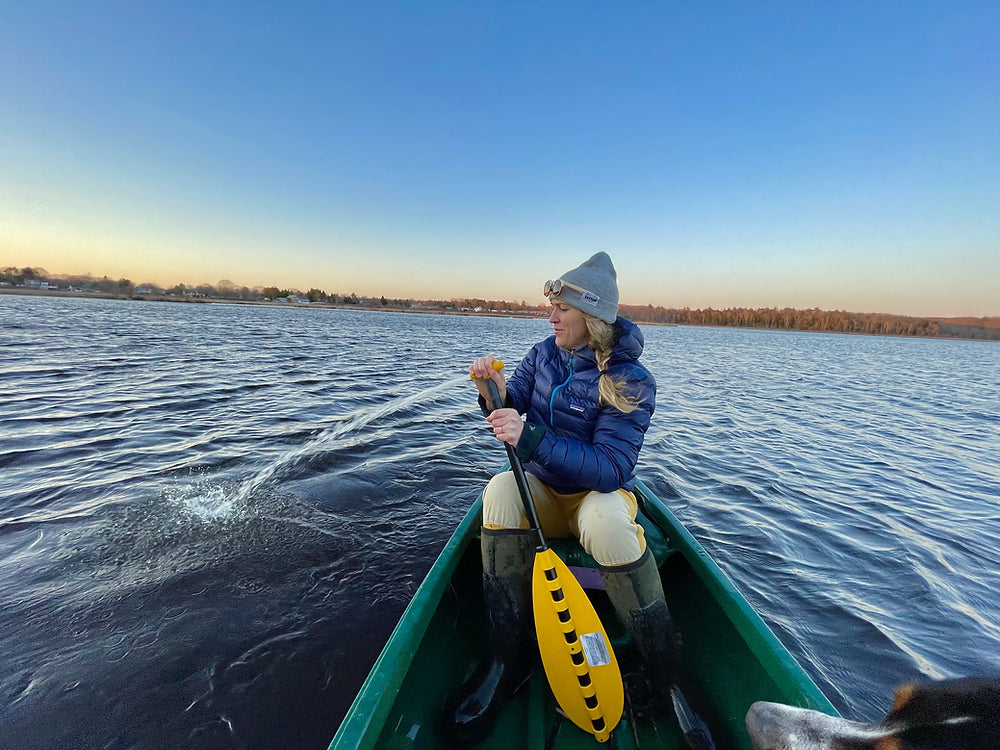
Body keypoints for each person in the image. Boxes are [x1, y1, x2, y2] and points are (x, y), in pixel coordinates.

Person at [445, 251, 678, 745]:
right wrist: (493, 391)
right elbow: (512, 411)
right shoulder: (542, 355)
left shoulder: (631, 380)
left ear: (591, 319)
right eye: (552, 308)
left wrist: (530, 439)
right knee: (501, 491)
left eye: (562, 310)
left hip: (597, 496)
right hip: (543, 497)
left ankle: (662, 676)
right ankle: (504, 660)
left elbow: (613, 466)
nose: (551, 317)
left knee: (610, 525)